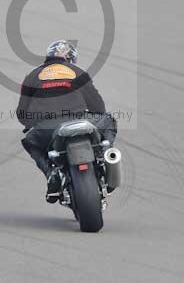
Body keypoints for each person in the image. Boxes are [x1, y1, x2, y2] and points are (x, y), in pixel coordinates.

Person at [17, 40, 117, 203]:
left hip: (48, 127)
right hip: (80, 120)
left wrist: (34, 125)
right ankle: (105, 156)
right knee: (109, 120)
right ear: (72, 59)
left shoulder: (32, 76)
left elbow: (22, 114)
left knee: (30, 142)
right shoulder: (78, 72)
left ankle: (51, 173)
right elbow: (98, 107)